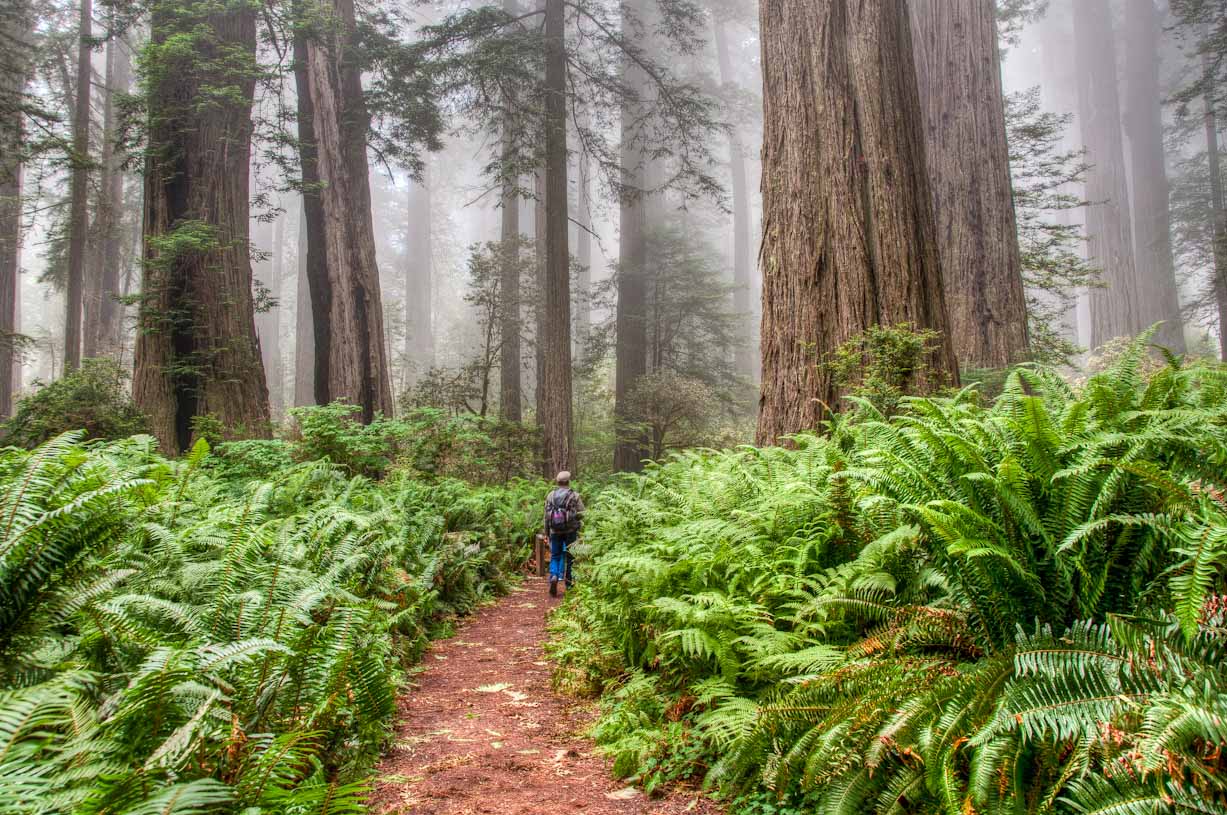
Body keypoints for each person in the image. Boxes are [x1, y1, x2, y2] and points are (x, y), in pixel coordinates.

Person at [543, 471, 584, 596]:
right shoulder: (574, 495)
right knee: (571, 558)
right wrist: (580, 525)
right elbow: (582, 513)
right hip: (570, 531)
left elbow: (546, 516)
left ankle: (554, 576)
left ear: (557, 482)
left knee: (555, 556)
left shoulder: (551, 495)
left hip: (555, 531)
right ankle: (569, 585)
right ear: (568, 481)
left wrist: (546, 531)